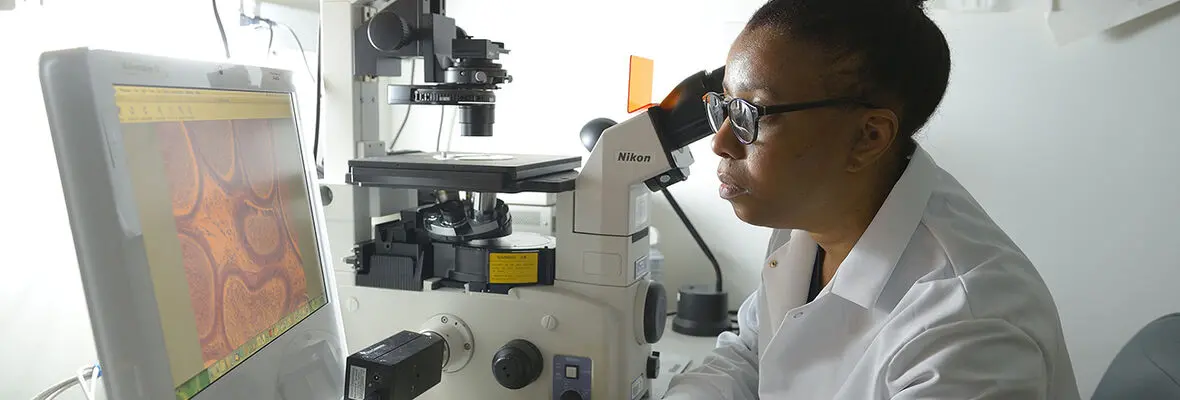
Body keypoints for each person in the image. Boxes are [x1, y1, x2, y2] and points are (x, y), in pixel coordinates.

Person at [662, 0, 1080, 399]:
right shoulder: (811, 221)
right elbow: (751, 357)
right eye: (724, 107)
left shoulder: (966, 326)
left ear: (869, 137)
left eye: (750, 114)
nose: (720, 143)